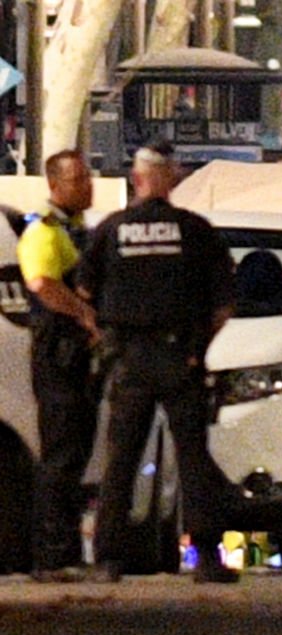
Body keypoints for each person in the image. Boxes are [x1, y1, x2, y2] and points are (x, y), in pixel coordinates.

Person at [78, 142, 239, 584]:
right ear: (171, 177)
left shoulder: (111, 230)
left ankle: (109, 559)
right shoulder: (195, 231)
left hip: (129, 359)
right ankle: (206, 557)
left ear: (136, 178)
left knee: (121, 460)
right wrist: (197, 348)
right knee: (193, 459)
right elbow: (224, 304)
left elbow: (85, 295)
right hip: (179, 356)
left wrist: (107, 342)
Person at [16, 149, 101, 582]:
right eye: (78, 179)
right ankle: (51, 555)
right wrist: (84, 315)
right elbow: (42, 284)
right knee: (60, 456)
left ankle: (66, 551)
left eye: (88, 177)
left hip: (77, 358)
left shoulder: (77, 229)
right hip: (57, 356)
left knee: (76, 453)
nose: (88, 185)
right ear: (55, 185)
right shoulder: (43, 231)